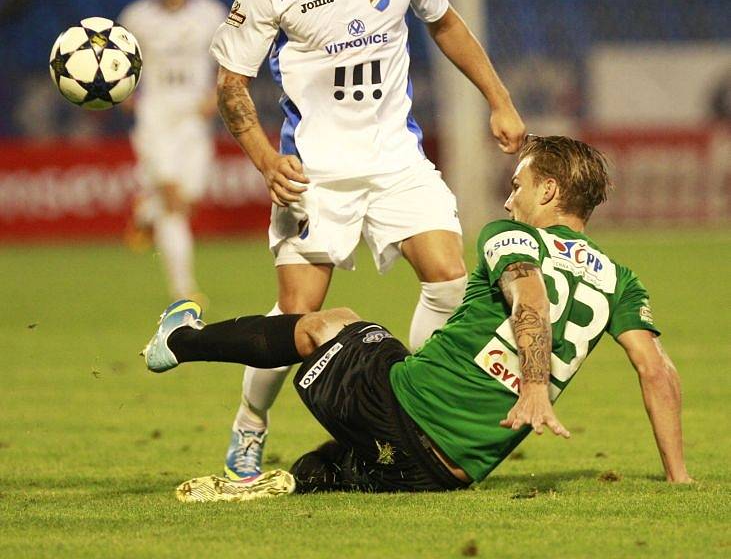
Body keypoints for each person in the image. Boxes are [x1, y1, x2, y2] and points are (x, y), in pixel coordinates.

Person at [142, 135, 693, 501]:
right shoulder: (621, 280)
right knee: (369, 423)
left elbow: (531, 300)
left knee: (328, 324)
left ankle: (181, 339)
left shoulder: (512, 237)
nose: (507, 201)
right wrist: (678, 478)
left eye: (517, 186)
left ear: (549, 190)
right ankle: (297, 482)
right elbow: (657, 371)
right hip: (444, 476)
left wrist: (535, 385)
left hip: (397, 415)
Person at [209, 0, 525, 481]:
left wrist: (500, 99)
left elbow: (446, 24)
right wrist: (266, 159)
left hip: (395, 159)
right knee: (297, 315)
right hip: (314, 171)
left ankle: (408, 410)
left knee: (448, 278)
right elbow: (229, 84)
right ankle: (249, 426)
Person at [119, 0, 227, 300]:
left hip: (194, 117)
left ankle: (145, 209)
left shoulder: (211, 13)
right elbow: (117, 66)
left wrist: (218, 93)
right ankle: (184, 290)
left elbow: (233, 58)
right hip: (156, 115)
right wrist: (122, 94)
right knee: (173, 201)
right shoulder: (136, 17)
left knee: (189, 197)